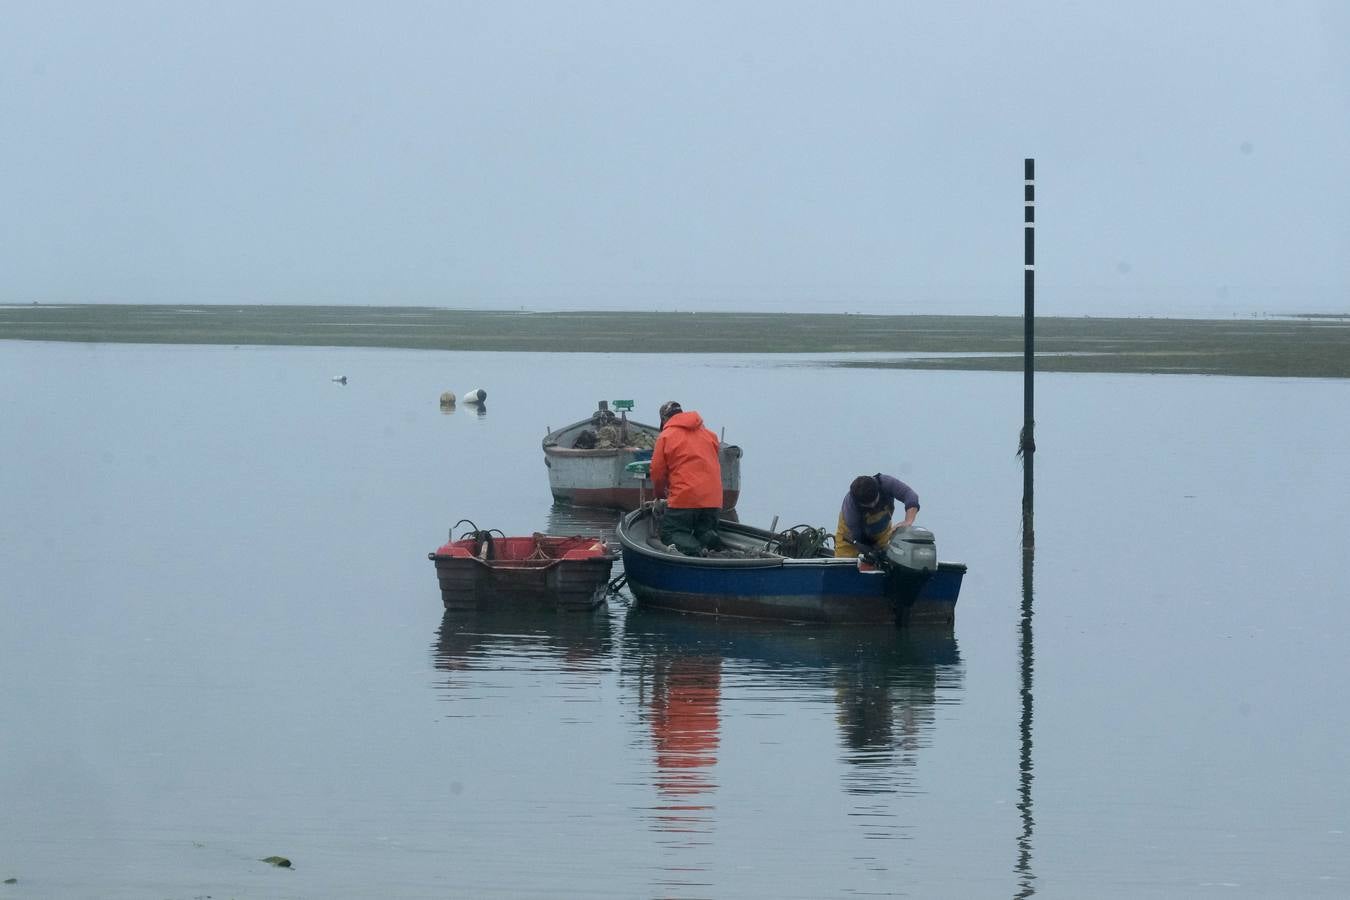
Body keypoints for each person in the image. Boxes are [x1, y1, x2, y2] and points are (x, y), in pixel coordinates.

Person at [650, 401, 724, 555]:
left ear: (664, 420)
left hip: (684, 499)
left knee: (671, 532)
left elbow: (657, 473)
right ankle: (713, 545)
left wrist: (659, 496)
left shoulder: (665, 436)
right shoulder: (710, 435)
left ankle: (696, 552)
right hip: (713, 499)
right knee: (704, 530)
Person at [834, 473, 919, 559]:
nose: (872, 506)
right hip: (850, 539)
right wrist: (872, 552)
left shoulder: (886, 483)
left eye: (874, 502)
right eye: (868, 505)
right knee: (847, 561)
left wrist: (908, 521)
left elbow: (910, 496)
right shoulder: (850, 507)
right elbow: (858, 536)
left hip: (883, 534)